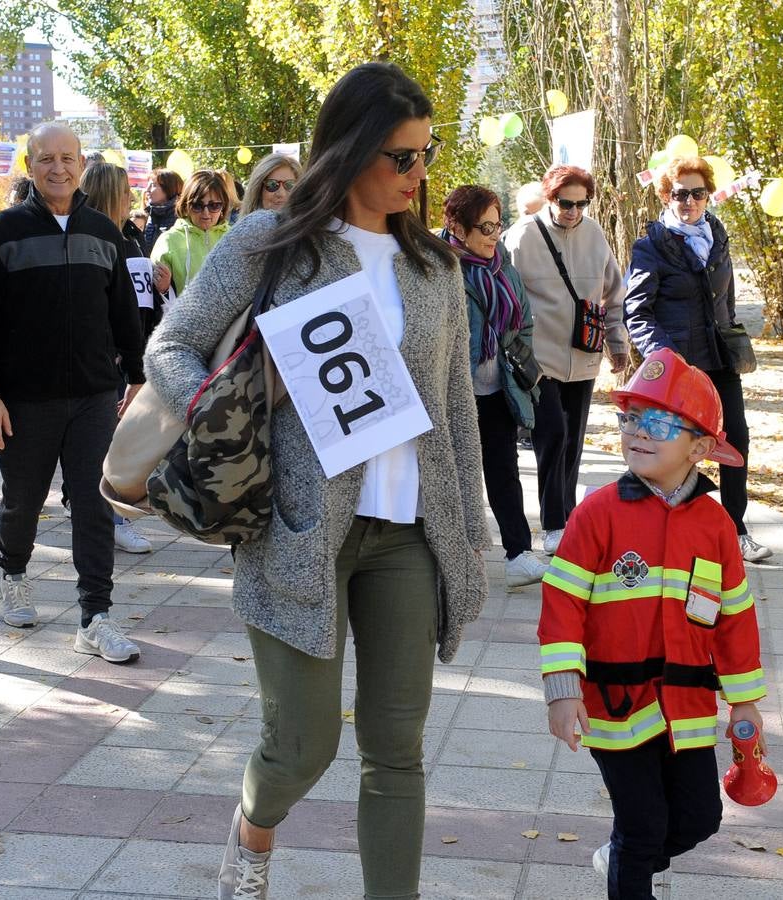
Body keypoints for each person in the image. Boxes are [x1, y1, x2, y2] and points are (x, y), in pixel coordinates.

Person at [145, 62, 489, 900]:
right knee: (303, 744)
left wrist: (472, 530)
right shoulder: (268, 245)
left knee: (396, 750)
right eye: (400, 158)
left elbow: (454, 410)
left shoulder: (436, 270)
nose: (418, 175)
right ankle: (253, 831)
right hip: (298, 528)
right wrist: (228, 404)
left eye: (425, 154)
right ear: (351, 150)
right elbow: (171, 346)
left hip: (408, 531)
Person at [539, 347, 765, 900]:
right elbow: (562, 603)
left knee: (697, 819)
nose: (639, 432)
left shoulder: (715, 525)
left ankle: (622, 860)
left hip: (686, 710)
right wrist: (562, 691)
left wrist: (745, 700)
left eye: (659, 421)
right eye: (631, 418)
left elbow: (734, 617)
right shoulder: (597, 512)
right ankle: (630, 865)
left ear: (701, 447)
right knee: (641, 828)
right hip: (616, 709)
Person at [0, 121, 146, 664]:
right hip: (23, 402)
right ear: (29, 166)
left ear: (82, 163)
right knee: (23, 502)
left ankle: (96, 616)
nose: (58, 168)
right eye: (46, 159)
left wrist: (135, 378)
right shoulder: (2, 231)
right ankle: (13, 572)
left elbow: (124, 316)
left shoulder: (105, 233)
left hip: (94, 398)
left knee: (93, 502)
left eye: (68, 158)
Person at [625, 156, 771, 564]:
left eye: (697, 193)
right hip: (678, 369)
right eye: (679, 193)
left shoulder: (717, 235)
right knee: (676, 448)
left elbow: (724, 299)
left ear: (708, 196)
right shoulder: (652, 245)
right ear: (665, 196)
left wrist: (732, 335)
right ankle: (663, 529)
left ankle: (735, 530)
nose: (688, 201)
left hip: (719, 362)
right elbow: (636, 311)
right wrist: (667, 358)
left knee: (734, 440)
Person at [502, 164, 628, 556]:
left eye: (581, 204)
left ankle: (568, 519)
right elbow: (506, 297)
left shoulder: (595, 234)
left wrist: (617, 342)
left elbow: (614, 292)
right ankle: (554, 524)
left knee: (572, 442)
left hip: (583, 355)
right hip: (540, 359)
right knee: (552, 435)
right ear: (550, 197)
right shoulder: (521, 236)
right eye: (565, 202)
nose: (573, 211)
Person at [442, 184, 546, 589]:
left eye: (497, 225)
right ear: (457, 225)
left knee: (504, 470)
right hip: (455, 393)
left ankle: (519, 553)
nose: (493, 235)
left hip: (499, 389)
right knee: (454, 476)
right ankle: (453, 558)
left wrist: (518, 358)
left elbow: (525, 322)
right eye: (483, 227)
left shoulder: (503, 264)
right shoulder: (438, 266)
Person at [78, 161, 154, 555]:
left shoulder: (132, 238)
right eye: (124, 192)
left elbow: (139, 305)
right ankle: (112, 519)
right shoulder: (95, 241)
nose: (131, 199)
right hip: (107, 362)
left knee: (116, 441)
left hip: (133, 356)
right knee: (106, 444)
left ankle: (103, 512)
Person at [149, 169, 231, 300]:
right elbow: (152, 297)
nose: (206, 213)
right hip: (183, 318)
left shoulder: (234, 238)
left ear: (223, 205)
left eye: (214, 206)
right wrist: (163, 289)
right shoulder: (168, 240)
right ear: (186, 205)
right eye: (197, 205)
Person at [140, 168, 183, 256]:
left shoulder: (181, 216)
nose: (147, 190)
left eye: (153, 185)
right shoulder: (149, 214)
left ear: (169, 188)